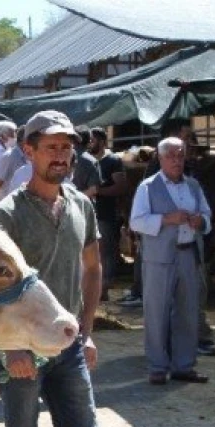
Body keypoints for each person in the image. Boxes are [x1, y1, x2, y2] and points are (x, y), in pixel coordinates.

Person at [0, 109, 156, 427]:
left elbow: (93, 267)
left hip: (66, 351)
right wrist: (12, 349)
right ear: (29, 151)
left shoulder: (81, 205)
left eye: (67, 148)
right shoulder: (7, 214)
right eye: (52, 148)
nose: (62, 156)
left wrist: (86, 333)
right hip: (19, 353)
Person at [133, 120, 215, 357]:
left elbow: (207, 214)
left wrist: (201, 222)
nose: (177, 160)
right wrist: (167, 219)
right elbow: (137, 221)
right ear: (162, 158)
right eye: (172, 156)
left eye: (181, 155)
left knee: (190, 304)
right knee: (159, 307)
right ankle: (158, 358)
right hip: (160, 253)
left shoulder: (192, 182)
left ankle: (187, 355)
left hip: (189, 251)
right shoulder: (149, 183)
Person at [88, 127, 126, 300]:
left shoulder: (113, 161)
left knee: (106, 253)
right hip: (89, 214)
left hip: (105, 214)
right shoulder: (86, 161)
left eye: (93, 140)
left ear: (102, 141)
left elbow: (121, 186)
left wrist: (97, 191)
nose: (90, 143)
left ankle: (103, 289)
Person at [0, 125, 29, 204]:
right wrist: (1, 202)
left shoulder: (28, 156)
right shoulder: (9, 156)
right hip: (8, 204)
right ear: (24, 141)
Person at [71, 126, 101, 202]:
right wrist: (73, 199)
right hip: (83, 207)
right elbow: (93, 190)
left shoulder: (61, 157)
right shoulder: (91, 161)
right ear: (89, 141)